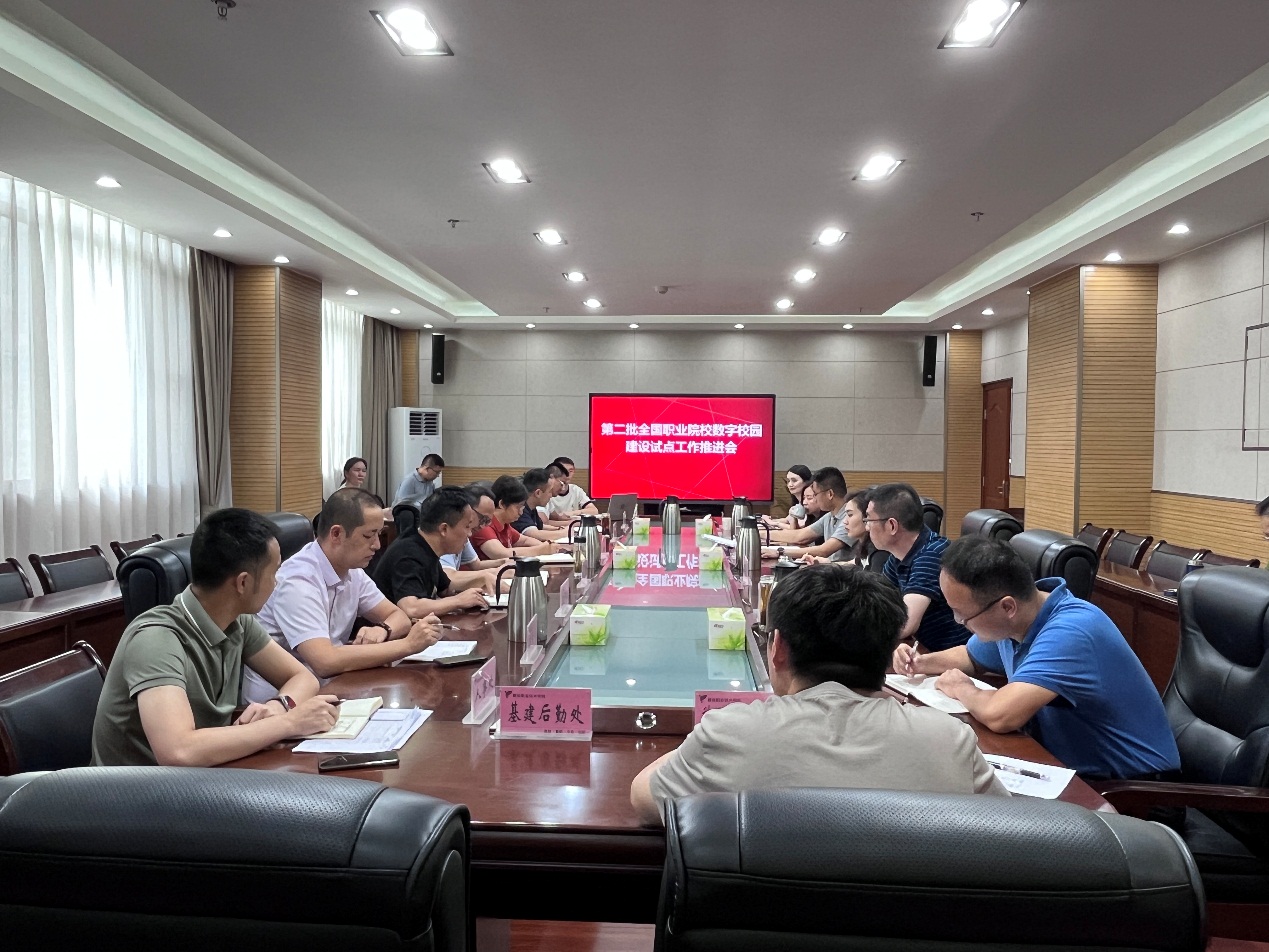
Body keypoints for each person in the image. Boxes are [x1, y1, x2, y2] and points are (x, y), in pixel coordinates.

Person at [630, 565, 1008, 825]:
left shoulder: (731, 732)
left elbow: (643, 798)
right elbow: (1012, 826)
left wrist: (705, 740)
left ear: (778, 648)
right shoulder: (948, 740)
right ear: (886, 651)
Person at [894, 536, 1181, 781]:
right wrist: (921, 663)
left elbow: (1000, 715)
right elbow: (970, 655)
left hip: (1132, 789)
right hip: (1068, 769)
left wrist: (962, 688)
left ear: (1007, 607)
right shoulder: (1018, 620)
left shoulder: (1072, 631)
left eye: (963, 614)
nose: (959, 622)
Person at [91, 508, 340, 767]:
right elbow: (178, 752)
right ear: (243, 583)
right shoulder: (156, 639)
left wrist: (279, 707)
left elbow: (302, 677)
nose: (276, 583)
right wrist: (288, 723)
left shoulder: (237, 621)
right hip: (133, 788)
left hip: (202, 776)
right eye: (273, 573)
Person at [242, 488, 441, 703]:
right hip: (281, 703)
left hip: (335, 687)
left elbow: (398, 616)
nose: (377, 545)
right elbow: (325, 661)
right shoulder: (298, 580)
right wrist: (408, 645)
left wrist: (382, 629)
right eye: (369, 535)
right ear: (336, 534)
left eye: (379, 534)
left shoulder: (352, 570)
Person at [866, 482, 969, 652]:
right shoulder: (899, 555)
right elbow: (878, 601)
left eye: (869, 520)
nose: (866, 527)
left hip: (957, 657)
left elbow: (904, 625)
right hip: (926, 650)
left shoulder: (932, 554)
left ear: (892, 525)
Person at [372, 486, 491, 617]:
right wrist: (458, 601)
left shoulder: (426, 546)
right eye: (467, 526)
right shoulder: (408, 553)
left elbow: (446, 589)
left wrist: (482, 579)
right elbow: (411, 608)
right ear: (444, 529)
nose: (469, 534)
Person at [763, 466, 853, 561]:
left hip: (841, 570)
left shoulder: (849, 517)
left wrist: (780, 552)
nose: (815, 499)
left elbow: (824, 550)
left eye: (815, 494)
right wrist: (760, 534)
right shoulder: (829, 516)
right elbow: (799, 536)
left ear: (830, 494)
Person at [470, 475, 563, 560]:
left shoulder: (505, 524)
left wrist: (546, 547)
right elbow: (500, 553)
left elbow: (524, 540)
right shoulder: (485, 525)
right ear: (502, 504)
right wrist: (540, 550)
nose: (521, 512)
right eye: (518, 507)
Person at [800, 488, 875, 567]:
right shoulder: (864, 547)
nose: (845, 521)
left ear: (867, 516)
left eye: (850, 515)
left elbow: (824, 550)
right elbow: (854, 563)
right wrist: (826, 563)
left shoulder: (877, 552)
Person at [512, 468, 568, 541]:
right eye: (549, 491)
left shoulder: (532, 508)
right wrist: (565, 533)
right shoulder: (520, 509)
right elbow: (535, 534)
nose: (551, 495)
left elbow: (539, 526)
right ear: (538, 493)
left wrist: (558, 529)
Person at [760, 465, 814, 530]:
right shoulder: (797, 504)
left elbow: (800, 529)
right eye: (788, 481)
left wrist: (775, 523)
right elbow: (787, 520)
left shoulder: (811, 504)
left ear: (807, 482)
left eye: (794, 481)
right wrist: (767, 521)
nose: (790, 485)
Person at [545, 457, 598, 522]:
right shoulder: (547, 493)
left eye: (571, 471)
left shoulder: (576, 490)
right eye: (564, 470)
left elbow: (594, 511)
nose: (568, 474)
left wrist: (573, 513)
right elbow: (544, 521)